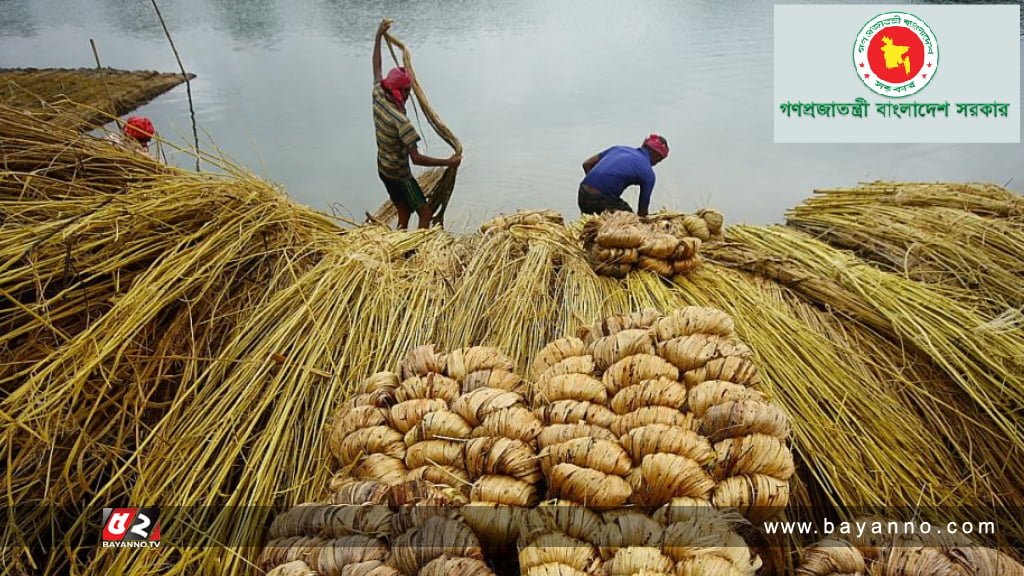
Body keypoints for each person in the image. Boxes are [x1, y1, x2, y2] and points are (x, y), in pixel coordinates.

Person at [372, 19, 461, 229]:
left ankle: (398, 249)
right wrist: (449, 162)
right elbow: (417, 158)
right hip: (399, 175)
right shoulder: (402, 123)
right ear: (401, 92)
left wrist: (378, 38)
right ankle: (417, 253)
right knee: (425, 214)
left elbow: (376, 67)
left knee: (403, 211)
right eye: (408, 91)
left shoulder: (378, 94)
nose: (410, 94)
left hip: (383, 169)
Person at [577, 134, 669, 217]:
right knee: (631, 221)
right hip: (601, 201)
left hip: (582, 194)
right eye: (659, 160)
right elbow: (642, 212)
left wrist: (595, 188)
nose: (656, 164)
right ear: (656, 156)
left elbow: (587, 164)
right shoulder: (648, 174)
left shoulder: (618, 149)